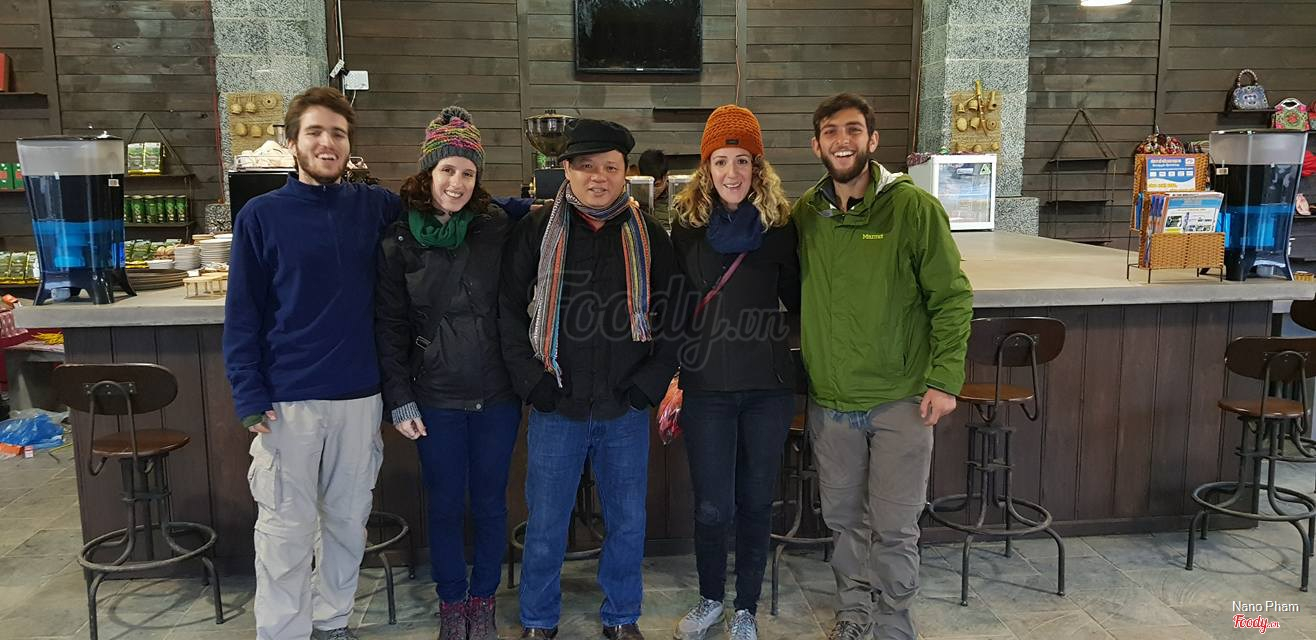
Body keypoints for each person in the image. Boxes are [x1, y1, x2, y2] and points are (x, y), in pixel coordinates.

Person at [792, 93, 973, 640]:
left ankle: (894, 623)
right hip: (832, 402)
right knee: (844, 522)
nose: (842, 140)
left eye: (853, 130)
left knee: (894, 527)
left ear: (872, 140)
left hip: (900, 400)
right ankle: (853, 614)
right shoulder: (806, 214)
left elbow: (951, 298)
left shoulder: (913, 208)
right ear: (817, 144)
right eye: (830, 131)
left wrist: (945, 379)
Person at [224, 86, 401, 640]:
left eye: (338, 134)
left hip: (359, 395)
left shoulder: (373, 206)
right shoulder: (261, 216)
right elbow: (242, 314)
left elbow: (443, 203)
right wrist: (248, 393)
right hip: (287, 400)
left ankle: (332, 622)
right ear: (292, 142)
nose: (328, 143)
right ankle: (283, 632)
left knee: (347, 525)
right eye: (316, 132)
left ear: (350, 144)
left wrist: (531, 208)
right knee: (285, 530)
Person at [500, 119, 684, 640]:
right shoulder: (537, 230)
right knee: (546, 522)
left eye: (610, 167)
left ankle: (622, 615)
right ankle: (538, 619)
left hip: (623, 407)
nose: (598, 177)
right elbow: (507, 311)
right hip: (556, 403)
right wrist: (533, 383)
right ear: (566, 170)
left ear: (626, 172)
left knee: (627, 521)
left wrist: (647, 386)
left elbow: (676, 316)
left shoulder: (649, 234)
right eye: (586, 166)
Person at [374, 106, 518, 640]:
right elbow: (389, 326)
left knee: (491, 504)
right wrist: (400, 398)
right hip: (434, 397)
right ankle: (452, 601)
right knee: (445, 505)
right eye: (447, 170)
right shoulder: (396, 239)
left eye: (468, 172)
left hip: (496, 394)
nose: (456, 183)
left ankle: (484, 600)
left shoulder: (496, 227)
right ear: (428, 172)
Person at [669, 105, 800, 640]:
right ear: (706, 167)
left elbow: (799, 300)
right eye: (721, 161)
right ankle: (709, 599)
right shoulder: (686, 228)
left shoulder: (781, 228)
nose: (731, 172)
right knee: (711, 506)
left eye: (742, 160)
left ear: (757, 166)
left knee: (755, 502)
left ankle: (745, 607)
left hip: (768, 387)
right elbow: (675, 304)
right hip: (706, 388)